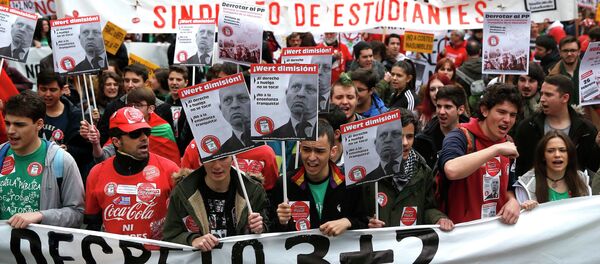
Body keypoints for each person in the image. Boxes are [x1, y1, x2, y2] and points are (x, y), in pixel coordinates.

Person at [85, 107, 178, 239]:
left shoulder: (170, 169)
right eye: (135, 134)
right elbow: (92, 224)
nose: (144, 138)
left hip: (158, 256)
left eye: (146, 132)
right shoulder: (97, 173)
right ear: (116, 141)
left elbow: (183, 221)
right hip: (113, 257)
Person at [438, 83, 522, 224]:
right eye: (501, 112)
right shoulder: (460, 136)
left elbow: (508, 188)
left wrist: (513, 201)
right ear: (484, 110)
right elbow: (451, 170)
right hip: (462, 233)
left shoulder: (508, 142)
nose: (507, 120)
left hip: (497, 231)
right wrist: (496, 150)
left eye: (512, 115)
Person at [1, 91, 84, 228]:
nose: (10, 131)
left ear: (39, 124)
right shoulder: (1, 154)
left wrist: (41, 216)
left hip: (42, 248)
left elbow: (77, 213)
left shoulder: (62, 160)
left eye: (19, 125)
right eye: (8, 123)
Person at [270, 120, 368, 234]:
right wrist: (281, 222)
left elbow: (364, 222)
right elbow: (270, 231)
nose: (312, 157)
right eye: (306, 150)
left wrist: (347, 222)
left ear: (333, 151)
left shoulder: (350, 183)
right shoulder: (284, 184)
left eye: (319, 151)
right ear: (300, 148)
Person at [364, 109, 454, 231]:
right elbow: (356, 213)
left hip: (410, 244)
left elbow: (428, 208)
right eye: (398, 136)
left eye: (410, 136)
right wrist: (368, 222)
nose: (405, 143)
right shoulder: (370, 172)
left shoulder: (423, 171)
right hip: (379, 245)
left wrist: (438, 218)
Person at [163, 156, 269, 251]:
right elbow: (169, 237)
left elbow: (271, 236)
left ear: (233, 158)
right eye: (211, 159)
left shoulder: (252, 191)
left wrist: (259, 228)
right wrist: (193, 240)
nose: (217, 166)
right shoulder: (183, 192)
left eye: (223, 158)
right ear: (201, 160)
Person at [515, 75, 600, 177]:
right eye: (542, 94)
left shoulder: (586, 130)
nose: (542, 99)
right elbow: (519, 167)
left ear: (565, 98)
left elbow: (593, 167)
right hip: (535, 190)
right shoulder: (528, 127)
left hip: (573, 190)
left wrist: (598, 147)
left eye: (548, 95)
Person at [37, 71, 93, 180]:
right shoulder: (30, 113)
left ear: (62, 90)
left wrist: (68, 150)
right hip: (36, 172)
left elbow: (87, 153)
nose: (47, 94)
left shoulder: (76, 116)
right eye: (43, 89)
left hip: (66, 176)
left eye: (53, 90)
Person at [515, 131, 591, 210]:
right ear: (543, 156)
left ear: (570, 154)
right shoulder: (527, 184)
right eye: (550, 151)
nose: (557, 155)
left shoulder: (582, 180)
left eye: (562, 150)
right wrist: (523, 208)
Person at [414, 85, 469, 168]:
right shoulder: (423, 141)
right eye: (439, 106)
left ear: (460, 110)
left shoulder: (472, 135)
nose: (441, 112)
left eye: (447, 107)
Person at [269, 74, 318, 138]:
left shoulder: (325, 131)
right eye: (296, 87)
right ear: (286, 93)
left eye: (310, 89)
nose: (301, 94)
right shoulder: (271, 137)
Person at [216, 84, 254, 154]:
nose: (235, 105)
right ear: (220, 108)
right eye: (227, 100)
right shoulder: (219, 149)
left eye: (242, 98)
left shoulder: (271, 137)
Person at [364, 117, 404, 183]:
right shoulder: (366, 180)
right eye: (383, 135)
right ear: (375, 143)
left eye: (395, 134)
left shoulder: (416, 168)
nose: (388, 139)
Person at [548, 36, 581, 105]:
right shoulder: (551, 74)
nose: (569, 54)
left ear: (579, 52)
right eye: (565, 51)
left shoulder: (590, 71)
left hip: (587, 114)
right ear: (560, 52)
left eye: (573, 50)